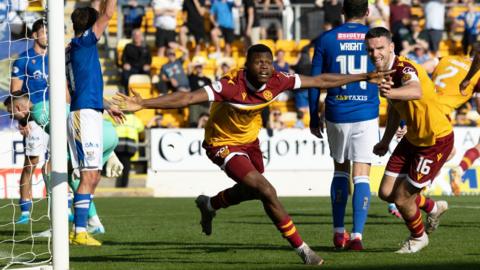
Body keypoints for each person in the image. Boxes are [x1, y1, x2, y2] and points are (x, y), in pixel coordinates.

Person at [112, 44, 391, 265]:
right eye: (259, 62)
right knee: (266, 190)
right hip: (222, 143)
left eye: (268, 62)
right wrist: (145, 103)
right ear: (246, 66)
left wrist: (364, 76)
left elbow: (320, 79)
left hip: (250, 143)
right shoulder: (230, 85)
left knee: (254, 190)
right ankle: (303, 250)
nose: (265, 66)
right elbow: (186, 98)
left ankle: (210, 204)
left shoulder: (279, 80)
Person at [367, 27, 451, 254]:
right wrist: (385, 140)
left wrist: (391, 93)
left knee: (402, 199)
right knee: (386, 193)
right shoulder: (384, 73)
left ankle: (418, 237)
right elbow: (395, 110)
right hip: (413, 139)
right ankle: (433, 207)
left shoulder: (404, 68)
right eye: (371, 50)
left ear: (391, 47)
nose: (375, 54)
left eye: (380, 48)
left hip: (435, 140)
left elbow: (415, 90)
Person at [309, 0, 376, 251]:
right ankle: (357, 237)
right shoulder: (376, 39)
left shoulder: (326, 39)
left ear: (342, 12)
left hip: (336, 112)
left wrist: (313, 117)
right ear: (367, 12)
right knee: (362, 176)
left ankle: (338, 233)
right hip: (366, 112)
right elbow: (393, 75)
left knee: (340, 170)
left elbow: (316, 82)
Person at [68, 0, 120, 246]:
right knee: (88, 176)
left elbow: (85, 86)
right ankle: (79, 231)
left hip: (91, 110)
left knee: (94, 175)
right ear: (90, 25)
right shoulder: (84, 43)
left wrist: (107, 105)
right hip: (83, 115)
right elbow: (108, 12)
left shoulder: (76, 47)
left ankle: (78, 227)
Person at [9, 18, 50, 225]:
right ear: (35, 34)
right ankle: (25, 208)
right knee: (31, 162)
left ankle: (63, 206)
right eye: (44, 32)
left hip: (56, 116)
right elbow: (15, 91)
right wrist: (22, 118)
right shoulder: (23, 59)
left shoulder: (57, 59)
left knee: (58, 162)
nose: (48, 36)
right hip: (34, 118)